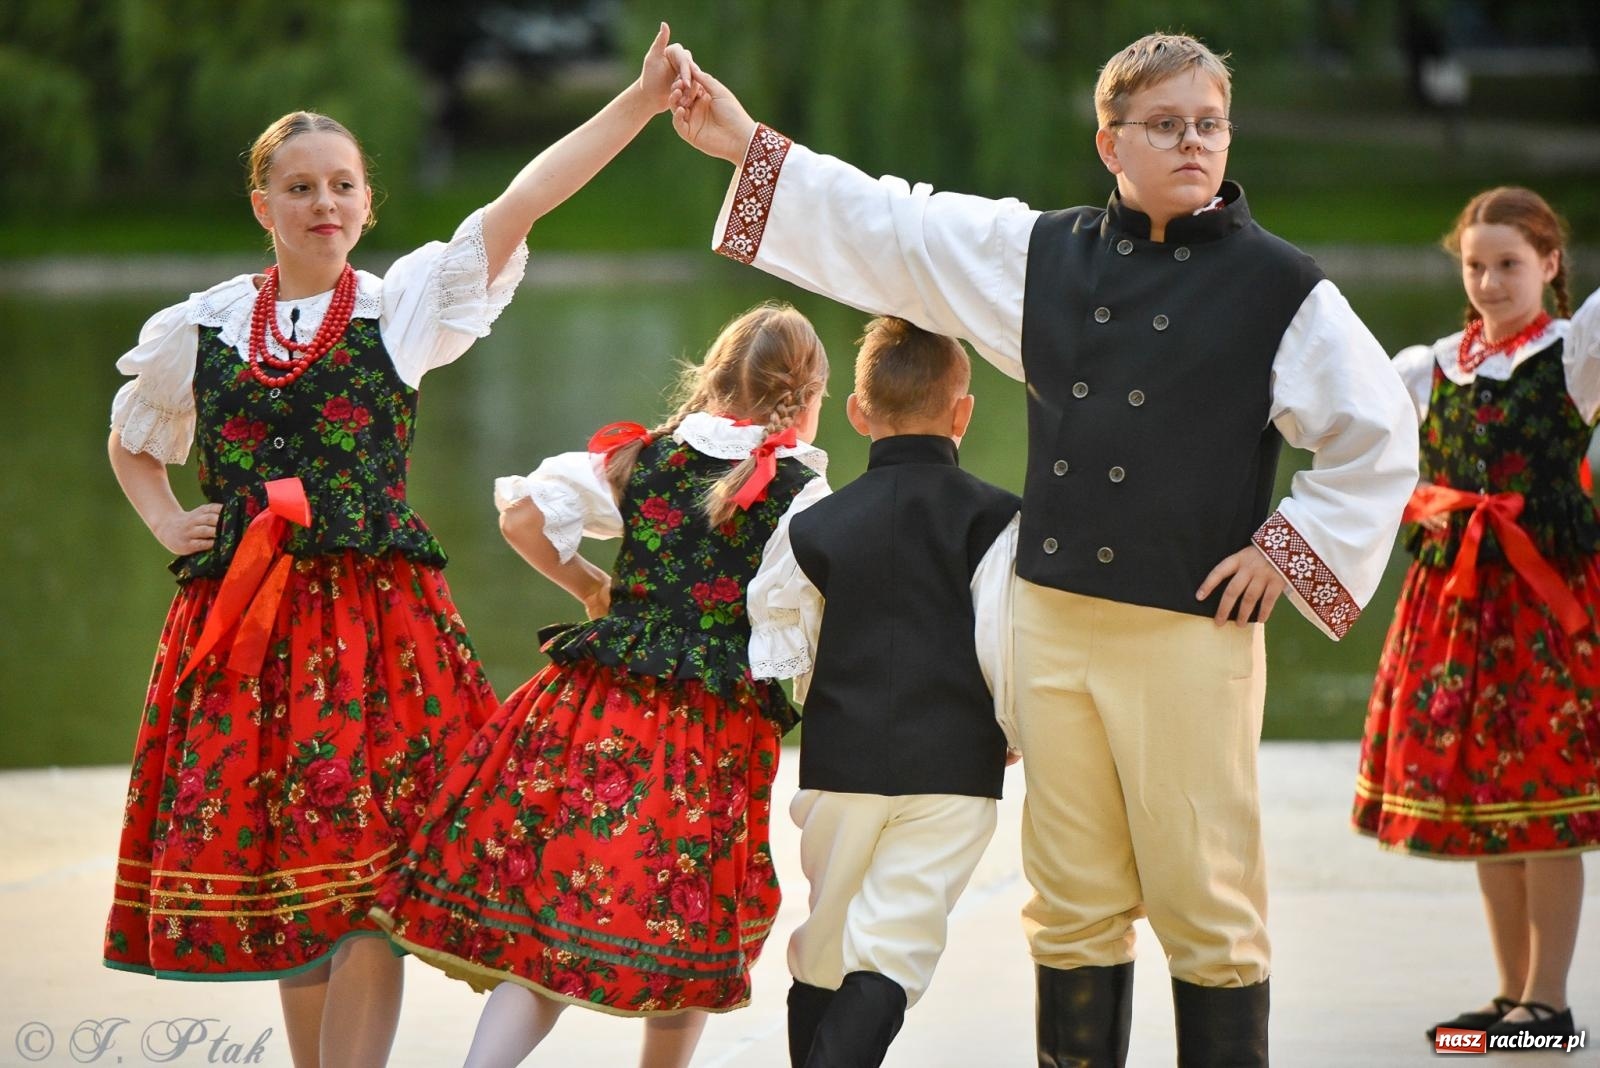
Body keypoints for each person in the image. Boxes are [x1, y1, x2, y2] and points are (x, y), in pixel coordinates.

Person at [668, 32, 1420, 1067]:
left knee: (1207, 907)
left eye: (1207, 124)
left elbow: (1378, 433)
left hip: (1187, 636)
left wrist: (1286, 551)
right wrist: (747, 144)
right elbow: (899, 224)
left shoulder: (1280, 288)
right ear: (1111, 142)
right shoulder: (1042, 255)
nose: (1192, 143)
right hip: (1052, 623)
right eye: (1165, 126)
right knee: (1069, 904)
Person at [102, 25, 695, 1068]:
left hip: (376, 639)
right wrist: (165, 521)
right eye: (299, 187)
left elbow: (521, 202)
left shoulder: (398, 310)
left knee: (371, 888)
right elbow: (132, 440)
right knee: (296, 885)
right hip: (244, 633)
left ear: (367, 203)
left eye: (341, 185)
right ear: (263, 206)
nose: (323, 203)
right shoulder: (197, 329)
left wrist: (640, 104)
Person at [369, 302, 831, 1068]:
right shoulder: (799, 494)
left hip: (595, 711)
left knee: (552, 911)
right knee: (690, 922)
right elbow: (791, 627)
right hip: (705, 739)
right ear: (809, 397)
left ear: (713, 379)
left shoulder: (641, 459)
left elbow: (522, 517)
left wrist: (591, 586)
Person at [1354, 187, 1599, 1046]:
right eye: (1476, 265)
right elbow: (1351, 433)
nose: (1491, 283)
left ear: (1550, 265)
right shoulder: (1429, 365)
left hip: (1545, 613)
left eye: (1510, 265)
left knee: (1545, 804)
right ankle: (1511, 995)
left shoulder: (1576, 356)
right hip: (1455, 607)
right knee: (1490, 808)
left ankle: (1552, 1000)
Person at [746, 316, 1021, 1067]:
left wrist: (821, 694)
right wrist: (1014, 729)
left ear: (859, 413)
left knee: (826, 945)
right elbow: (1007, 637)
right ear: (962, 413)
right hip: (954, 766)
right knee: (894, 944)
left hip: (841, 762)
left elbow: (779, 630)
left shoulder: (814, 521)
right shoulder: (999, 519)